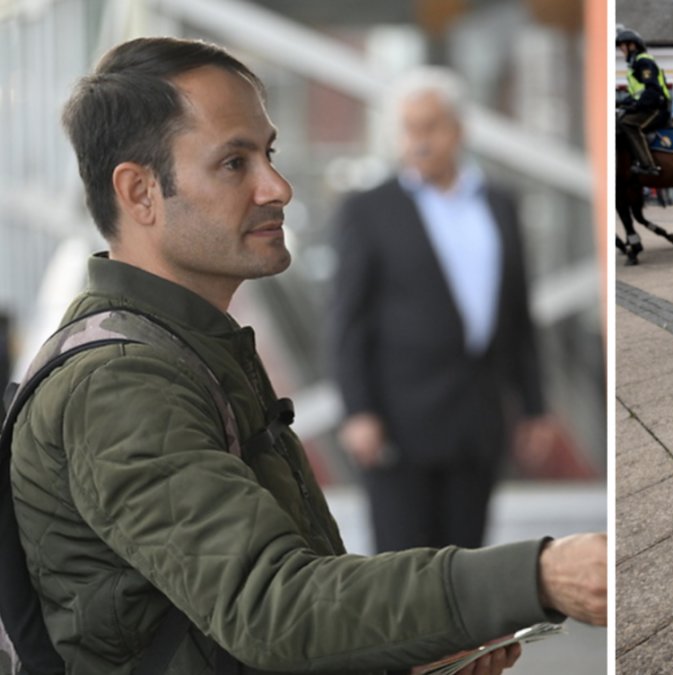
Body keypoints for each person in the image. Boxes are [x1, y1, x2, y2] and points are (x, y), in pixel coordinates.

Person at [9, 36, 605, 674]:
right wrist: (537, 576)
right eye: (234, 163)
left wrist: (406, 652)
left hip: (473, 420)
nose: (279, 187)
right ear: (139, 193)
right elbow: (273, 607)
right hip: (406, 425)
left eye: (268, 154)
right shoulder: (122, 380)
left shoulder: (186, 347)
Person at [330, 69, 567, 554]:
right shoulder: (369, 209)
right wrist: (358, 410)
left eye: (430, 126)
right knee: (403, 568)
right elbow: (346, 320)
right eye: (408, 128)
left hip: (477, 418)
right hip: (398, 422)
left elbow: (518, 313)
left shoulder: (500, 204)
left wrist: (535, 406)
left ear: (459, 129)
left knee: (466, 564)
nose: (418, 140)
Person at [615, 28, 671, 176]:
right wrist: (619, 102)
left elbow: (652, 90)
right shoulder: (634, 65)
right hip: (646, 106)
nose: (621, 50)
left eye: (623, 46)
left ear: (632, 46)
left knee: (627, 124)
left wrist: (636, 105)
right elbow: (637, 94)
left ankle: (648, 166)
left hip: (655, 107)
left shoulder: (644, 62)